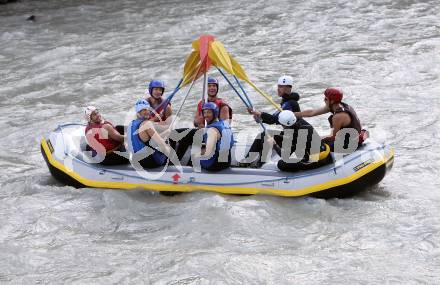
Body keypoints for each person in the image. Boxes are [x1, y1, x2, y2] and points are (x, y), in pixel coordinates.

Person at [243, 75, 302, 166]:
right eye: (279, 86)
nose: (278, 89)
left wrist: (260, 113)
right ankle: (250, 161)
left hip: (294, 139)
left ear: (288, 88)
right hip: (289, 135)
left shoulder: (290, 103)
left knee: (266, 136)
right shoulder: (286, 102)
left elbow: (274, 119)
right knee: (264, 134)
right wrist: (259, 117)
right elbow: (274, 119)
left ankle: (259, 164)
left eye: (281, 87)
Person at [295, 88, 367, 152]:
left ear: (332, 101)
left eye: (326, 99)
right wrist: (293, 114)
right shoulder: (338, 105)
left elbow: (333, 137)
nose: (324, 100)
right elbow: (312, 112)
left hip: (350, 143)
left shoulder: (338, 116)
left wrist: (315, 139)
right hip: (351, 136)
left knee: (314, 145)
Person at [127, 99, 174, 169]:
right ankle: (172, 168)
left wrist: (166, 132)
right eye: (144, 110)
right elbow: (161, 144)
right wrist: (170, 153)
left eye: (148, 109)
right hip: (151, 162)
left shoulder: (131, 124)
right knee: (169, 143)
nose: (147, 112)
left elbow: (147, 140)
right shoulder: (147, 124)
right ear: (138, 112)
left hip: (138, 161)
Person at [193, 102, 234, 171]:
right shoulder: (223, 123)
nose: (206, 115)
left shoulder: (212, 130)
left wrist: (197, 152)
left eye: (209, 112)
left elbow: (208, 153)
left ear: (215, 113)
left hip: (215, 165)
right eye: (204, 112)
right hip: (226, 161)